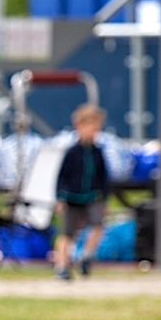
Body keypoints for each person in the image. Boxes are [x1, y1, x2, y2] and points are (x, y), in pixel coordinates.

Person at [53, 103, 109, 280]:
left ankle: (86, 256)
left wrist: (104, 198)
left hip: (91, 196)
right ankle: (62, 265)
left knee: (97, 225)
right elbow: (62, 176)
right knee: (67, 233)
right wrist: (60, 197)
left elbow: (103, 177)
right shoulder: (72, 152)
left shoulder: (97, 152)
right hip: (71, 197)